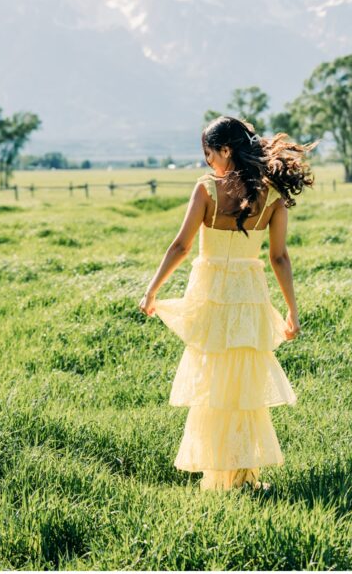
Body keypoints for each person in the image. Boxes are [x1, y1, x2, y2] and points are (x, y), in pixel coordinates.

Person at [138, 115, 315, 490]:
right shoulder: (272, 195)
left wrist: (152, 290)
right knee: (243, 388)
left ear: (225, 150)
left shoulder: (207, 190)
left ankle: (221, 476)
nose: (207, 162)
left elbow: (181, 246)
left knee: (214, 385)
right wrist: (292, 312)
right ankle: (245, 475)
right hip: (249, 295)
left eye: (208, 153)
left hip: (211, 294)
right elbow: (279, 258)